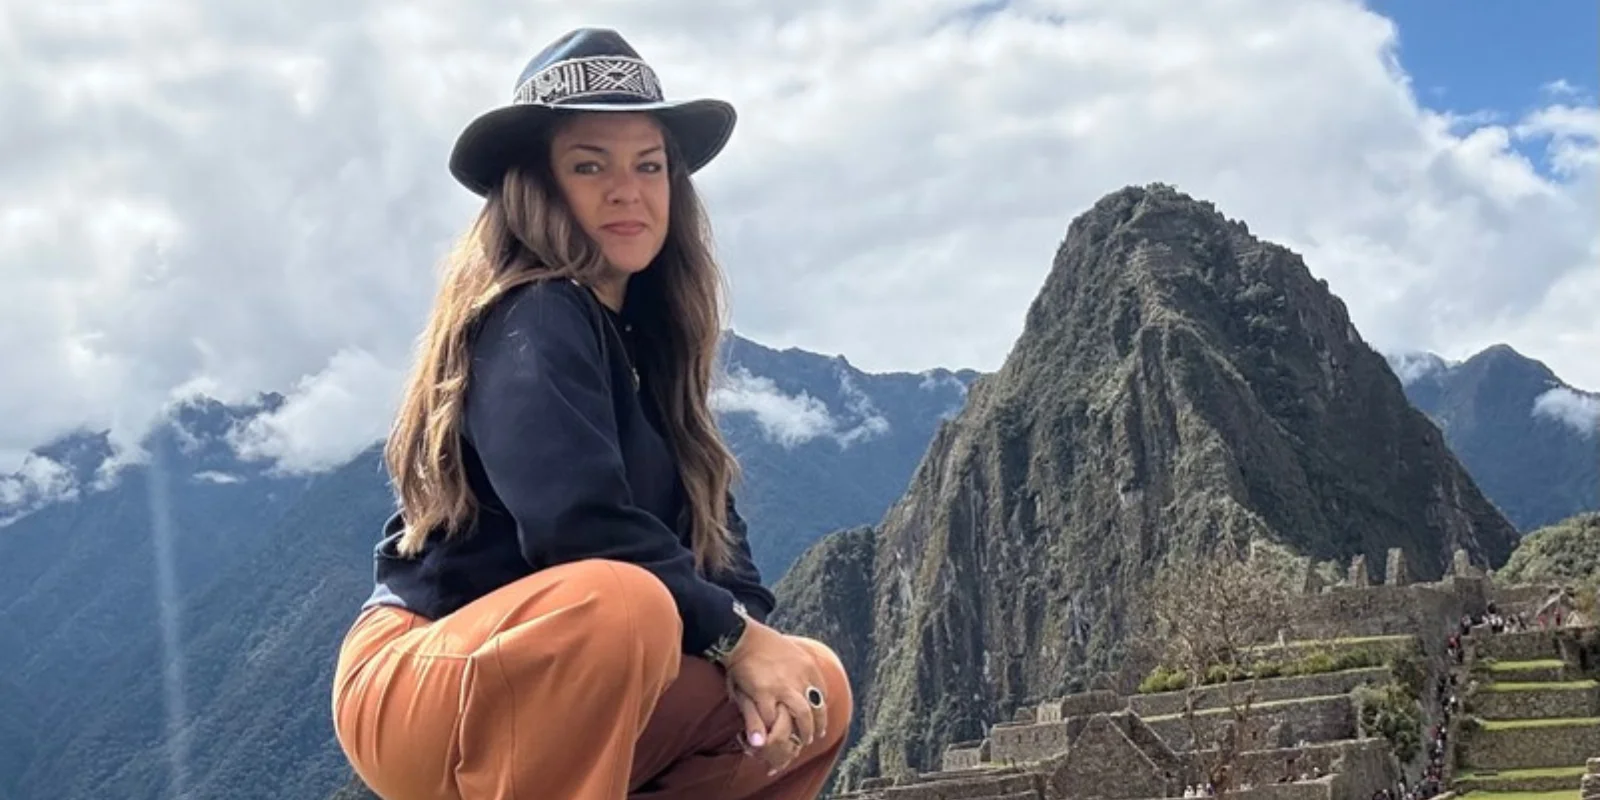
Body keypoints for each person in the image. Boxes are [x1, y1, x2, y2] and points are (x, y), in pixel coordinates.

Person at [330, 27, 853, 800]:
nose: (626, 189)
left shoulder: (654, 353)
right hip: (428, 665)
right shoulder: (531, 314)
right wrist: (735, 639)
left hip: (584, 679)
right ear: (536, 186)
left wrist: (752, 641)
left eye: (649, 165)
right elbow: (576, 525)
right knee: (622, 603)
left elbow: (723, 557)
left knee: (812, 685)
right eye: (589, 165)